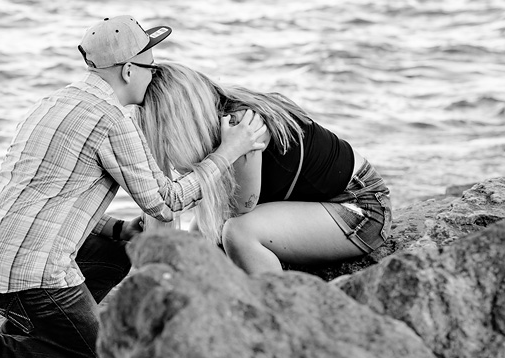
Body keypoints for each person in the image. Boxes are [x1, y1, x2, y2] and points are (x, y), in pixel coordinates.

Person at [0, 16, 268, 358]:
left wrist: (119, 230)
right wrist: (231, 150)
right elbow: (166, 200)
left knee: (122, 250)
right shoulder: (111, 120)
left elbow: (42, 198)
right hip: (29, 275)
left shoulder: (54, 102)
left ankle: (36, 334)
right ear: (127, 70)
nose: (154, 79)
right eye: (150, 70)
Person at [134, 62, 392, 275]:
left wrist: (231, 150)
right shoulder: (220, 115)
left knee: (237, 233)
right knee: (197, 243)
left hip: (359, 208)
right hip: (325, 202)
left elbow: (240, 208)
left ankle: (274, 313)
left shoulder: (243, 126)